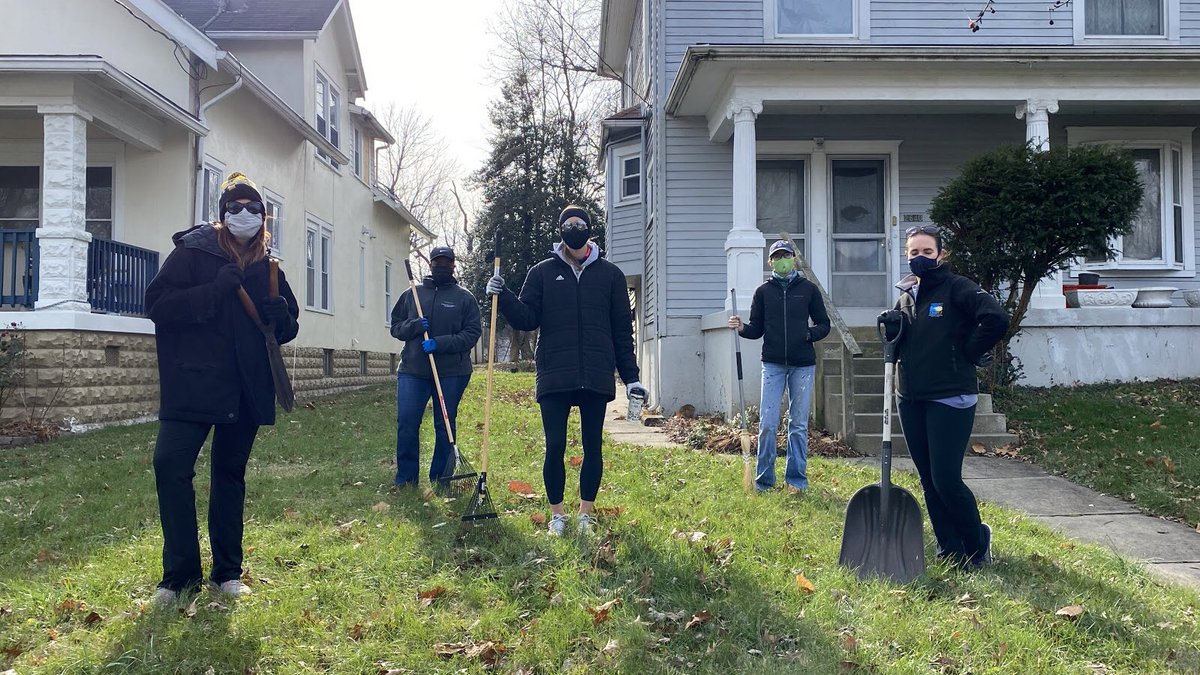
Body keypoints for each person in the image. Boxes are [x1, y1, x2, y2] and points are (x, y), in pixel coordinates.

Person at [145, 172, 299, 603]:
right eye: (236, 208)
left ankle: (226, 573)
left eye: (254, 209)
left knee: (229, 475)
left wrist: (280, 313)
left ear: (264, 218)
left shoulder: (270, 265)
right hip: (193, 383)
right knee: (170, 466)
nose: (245, 215)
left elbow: (286, 328)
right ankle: (179, 577)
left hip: (245, 388)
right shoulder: (193, 253)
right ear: (222, 214)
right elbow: (156, 305)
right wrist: (213, 290)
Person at [486, 205, 646, 536]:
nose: (574, 227)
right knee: (555, 445)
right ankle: (557, 515)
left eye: (580, 223)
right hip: (555, 373)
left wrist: (631, 378)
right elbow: (528, 317)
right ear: (560, 230)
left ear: (590, 228)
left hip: (595, 373)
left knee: (592, 446)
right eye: (568, 224)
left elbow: (621, 332)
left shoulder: (611, 276)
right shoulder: (542, 272)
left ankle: (586, 514)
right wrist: (504, 296)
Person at [879, 224, 1007, 570]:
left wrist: (969, 351)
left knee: (946, 479)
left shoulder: (958, 288)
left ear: (941, 254)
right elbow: (903, 341)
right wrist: (892, 331)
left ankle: (977, 544)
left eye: (927, 252)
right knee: (928, 480)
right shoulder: (906, 296)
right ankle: (949, 549)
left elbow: (995, 318)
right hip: (911, 397)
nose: (920, 258)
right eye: (913, 253)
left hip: (950, 396)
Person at [727, 240, 831, 493]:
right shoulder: (763, 292)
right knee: (768, 423)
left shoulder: (808, 290)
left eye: (786, 255)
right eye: (777, 256)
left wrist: (808, 335)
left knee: (797, 424)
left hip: (802, 365)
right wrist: (741, 328)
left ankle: (796, 481)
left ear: (794, 259)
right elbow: (756, 329)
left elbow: (824, 324)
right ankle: (764, 481)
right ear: (770, 262)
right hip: (772, 364)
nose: (782, 260)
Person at [390, 246, 481, 488]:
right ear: (430, 264)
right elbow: (396, 327)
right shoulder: (412, 294)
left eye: (446, 262)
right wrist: (414, 326)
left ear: (453, 266)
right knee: (408, 423)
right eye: (437, 262)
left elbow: (472, 334)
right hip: (413, 371)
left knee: (445, 424)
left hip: (452, 372)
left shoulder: (464, 298)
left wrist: (440, 344)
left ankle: (442, 478)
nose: (442, 266)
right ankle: (406, 479)